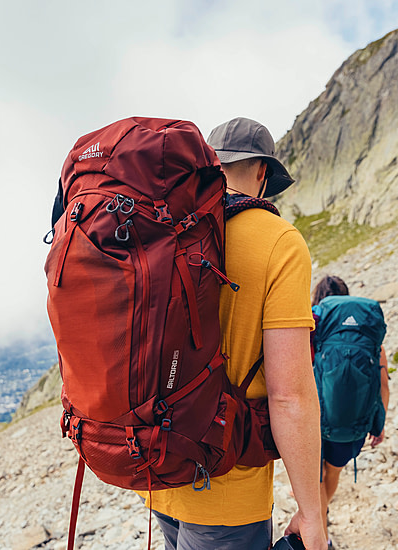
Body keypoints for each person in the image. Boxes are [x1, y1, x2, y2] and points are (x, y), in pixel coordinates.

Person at [141, 117, 328, 550]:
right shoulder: (279, 240)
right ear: (263, 172)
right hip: (227, 484)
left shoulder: (166, 229)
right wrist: (311, 513)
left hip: (157, 466)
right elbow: (290, 395)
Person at [311, 275, 390, 545]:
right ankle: (324, 515)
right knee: (332, 472)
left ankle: (321, 531)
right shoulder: (370, 340)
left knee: (312, 480)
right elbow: (383, 387)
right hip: (352, 424)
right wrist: (378, 425)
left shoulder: (313, 331)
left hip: (312, 420)